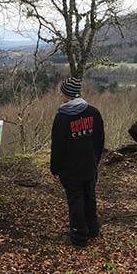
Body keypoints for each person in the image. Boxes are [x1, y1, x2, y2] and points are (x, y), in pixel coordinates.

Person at [50, 77, 105, 248]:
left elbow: (58, 146)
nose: (61, 96)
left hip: (71, 170)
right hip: (89, 166)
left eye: (63, 93)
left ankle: (79, 237)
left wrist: (55, 168)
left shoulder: (62, 118)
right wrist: (95, 160)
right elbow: (99, 140)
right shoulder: (93, 113)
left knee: (76, 201)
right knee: (90, 197)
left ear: (67, 94)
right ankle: (93, 229)